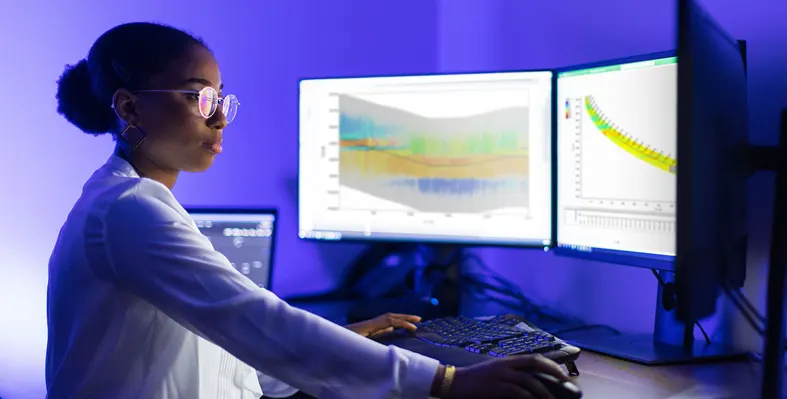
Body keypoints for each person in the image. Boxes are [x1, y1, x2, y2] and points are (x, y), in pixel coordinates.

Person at [47, 22, 570, 399]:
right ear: (129, 106)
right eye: (197, 98)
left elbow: (237, 352)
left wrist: (344, 341)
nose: (219, 121)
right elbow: (254, 321)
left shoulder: (133, 200)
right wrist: (447, 381)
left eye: (221, 101)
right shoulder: (128, 210)